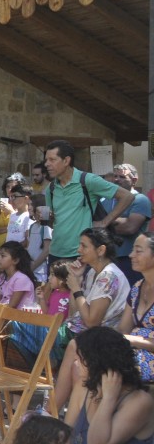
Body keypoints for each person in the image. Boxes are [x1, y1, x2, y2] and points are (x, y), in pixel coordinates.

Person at [52, 228, 131, 408]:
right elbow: (75, 314)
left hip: (99, 336)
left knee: (25, 335)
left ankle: (51, 410)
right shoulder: (93, 273)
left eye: (84, 246)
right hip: (78, 330)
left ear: (101, 250)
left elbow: (92, 321)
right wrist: (77, 282)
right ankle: (52, 408)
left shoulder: (109, 276)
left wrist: (76, 288)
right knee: (24, 336)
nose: (78, 250)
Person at [43, 140, 133, 263]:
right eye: (46, 160)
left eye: (52, 160)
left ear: (66, 161)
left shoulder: (87, 180)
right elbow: (54, 222)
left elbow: (127, 196)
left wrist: (104, 222)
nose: (47, 164)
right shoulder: (51, 189)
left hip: (81, 254)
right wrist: (45, 218)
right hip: (55, 252)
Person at [106, 163, 151, 284]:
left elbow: (130, 228)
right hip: (108, 259)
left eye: (122, 177)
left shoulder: (140, 200)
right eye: (115, 176)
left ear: (134, 180)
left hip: (129, 259)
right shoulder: (105, 200)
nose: (117, 180)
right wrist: (118, 221)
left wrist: (105, 224)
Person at [120, 232, 154, 380]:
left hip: (147, 358)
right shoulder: (137, 288)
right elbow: (123, 329)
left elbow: (125, 336)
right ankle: (53, 403)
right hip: (133, 353)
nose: (131, 255)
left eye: (138, 251)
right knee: (82, 359)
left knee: (111, 369)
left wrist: (131, 340)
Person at [0, 241, 38, 311]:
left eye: (3, 256)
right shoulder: (0, 278)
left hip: (18, 319)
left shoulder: (21, 279)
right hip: (2, 316)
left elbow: (12, 306)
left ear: (15, 260)